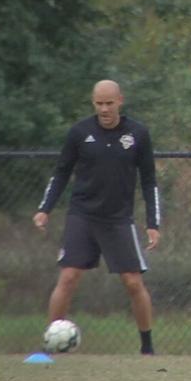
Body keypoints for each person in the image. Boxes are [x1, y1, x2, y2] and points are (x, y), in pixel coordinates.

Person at [33, 80, 161, 355]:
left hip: (118, 219)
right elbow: (61, 173)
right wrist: (45, 209)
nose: (104, 109)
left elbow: (149, 181)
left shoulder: (138, 134)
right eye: (99, 104)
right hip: (83, 215)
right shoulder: (79, 133)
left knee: (133, 282)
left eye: (109, 103)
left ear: (120, 101)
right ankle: (49, 347)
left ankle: (147, 348)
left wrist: (153, 224)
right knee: (68, 277)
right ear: (94, 103)